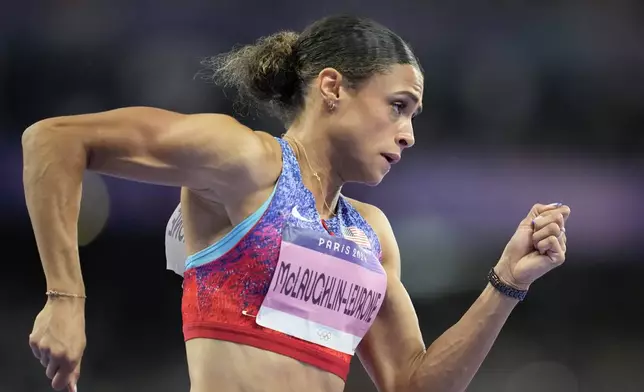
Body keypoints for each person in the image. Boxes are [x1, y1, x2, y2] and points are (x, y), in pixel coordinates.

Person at [22, 14, 570, 392]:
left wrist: (506, 282)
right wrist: (65, 298)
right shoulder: (246, 162)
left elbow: (411, 382)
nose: (408, 134)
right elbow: (54, 139)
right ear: (332, 87)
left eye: (414, 116)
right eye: (398, 107)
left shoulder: (370, 237)